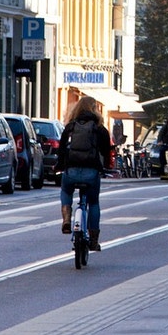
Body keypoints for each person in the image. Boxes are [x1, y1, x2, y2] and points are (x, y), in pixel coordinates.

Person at [59, 95, 111, 251]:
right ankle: (94, 240)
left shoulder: (70, 127)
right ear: (95, 110)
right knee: (93, 202)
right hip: (91, 172)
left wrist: (60, 166)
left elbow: (62, 151)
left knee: (66, 191)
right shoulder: (100, 129)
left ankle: (67, 218)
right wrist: (105, 167)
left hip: (71, 171)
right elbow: (106, 152)